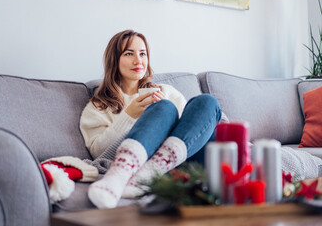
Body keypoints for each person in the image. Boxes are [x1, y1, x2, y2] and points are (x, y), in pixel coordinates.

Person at [79, 29, 223, 209]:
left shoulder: (165, 91)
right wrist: (129, 115)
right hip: (136, 165)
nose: (138, 60)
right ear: (114, 60)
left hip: (184, 164)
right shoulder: (98, 106)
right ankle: (126, 174)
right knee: (164, 108)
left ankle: (152, 172)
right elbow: (97, 152)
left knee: (207, 101)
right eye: (129, 53)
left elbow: (202, 125)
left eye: (142, 54)